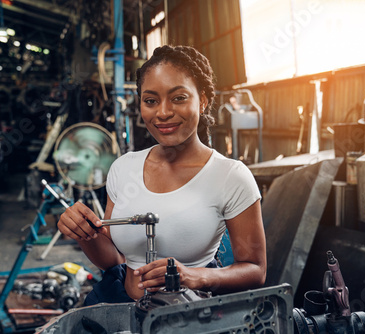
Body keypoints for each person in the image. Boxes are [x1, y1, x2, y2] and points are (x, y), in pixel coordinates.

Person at [58, 45, 266, 305]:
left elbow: (255, 271)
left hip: (188, 316)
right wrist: (83, 232)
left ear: (203, 101)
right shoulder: (124, 168)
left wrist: (195, 275)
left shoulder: (230, 176)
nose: (163, 112)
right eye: (151, 101)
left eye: (179, 98)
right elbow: (113, 259)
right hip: (120, 306)